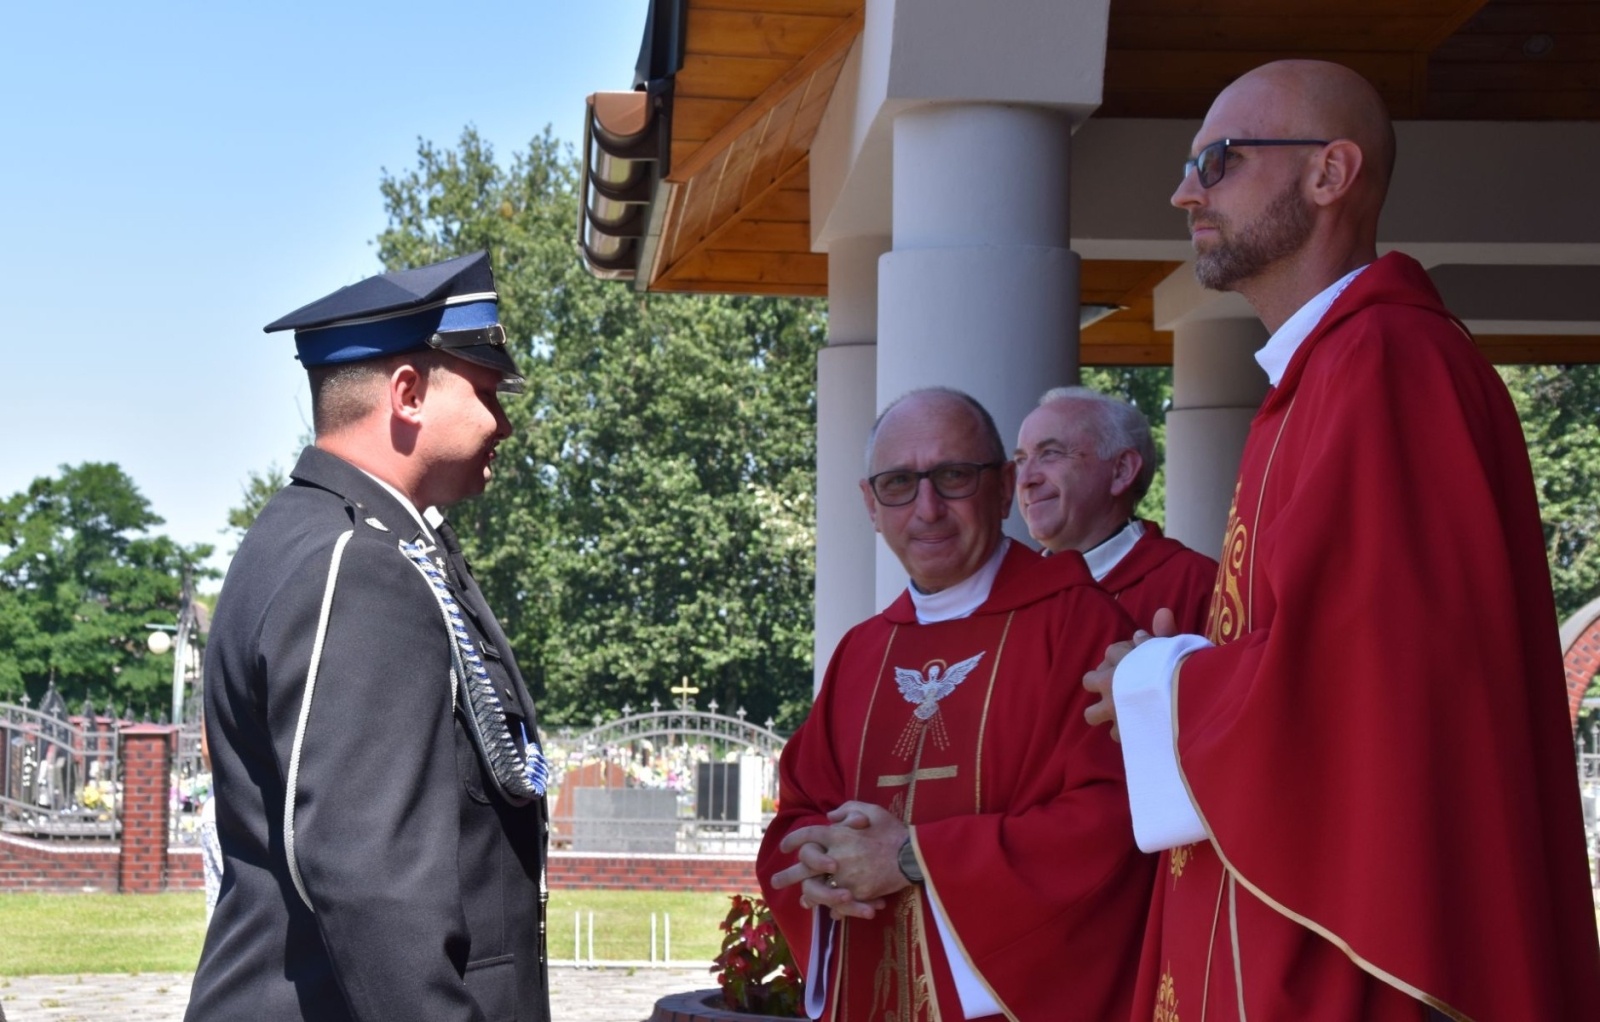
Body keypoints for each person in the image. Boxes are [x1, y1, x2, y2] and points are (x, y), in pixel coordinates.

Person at [1083, 60, 1600, 1020]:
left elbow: (1372, 681)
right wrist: (1180, 673)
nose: (1185, 192)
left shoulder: (1387, 362)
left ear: (1329, 174)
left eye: (1218, 160)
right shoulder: (1322, 375)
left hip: (1350, 961)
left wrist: (1155, 682)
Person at [186, 251, 552, 1022]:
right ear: (408, 394)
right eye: (486, 393)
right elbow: (375, 890)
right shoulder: (360, 568)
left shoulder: (343, 540)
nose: (505, 423)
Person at [758, 388, 1153, 1021]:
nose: (928, 509)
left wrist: (916, 858)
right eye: (898, 484)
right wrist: (815, 860)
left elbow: (1113, 820)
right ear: (870, 505)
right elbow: (799, 809)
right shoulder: (863, 651)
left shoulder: (1080, 627)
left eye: (954, 476)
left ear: (1003, 488)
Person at [1013, 386, 1216, 633]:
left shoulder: (1195, 583)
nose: (1024, 479)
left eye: (1050, 453)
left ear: (1121, 471)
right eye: (1021, 460)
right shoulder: (1011, 589)